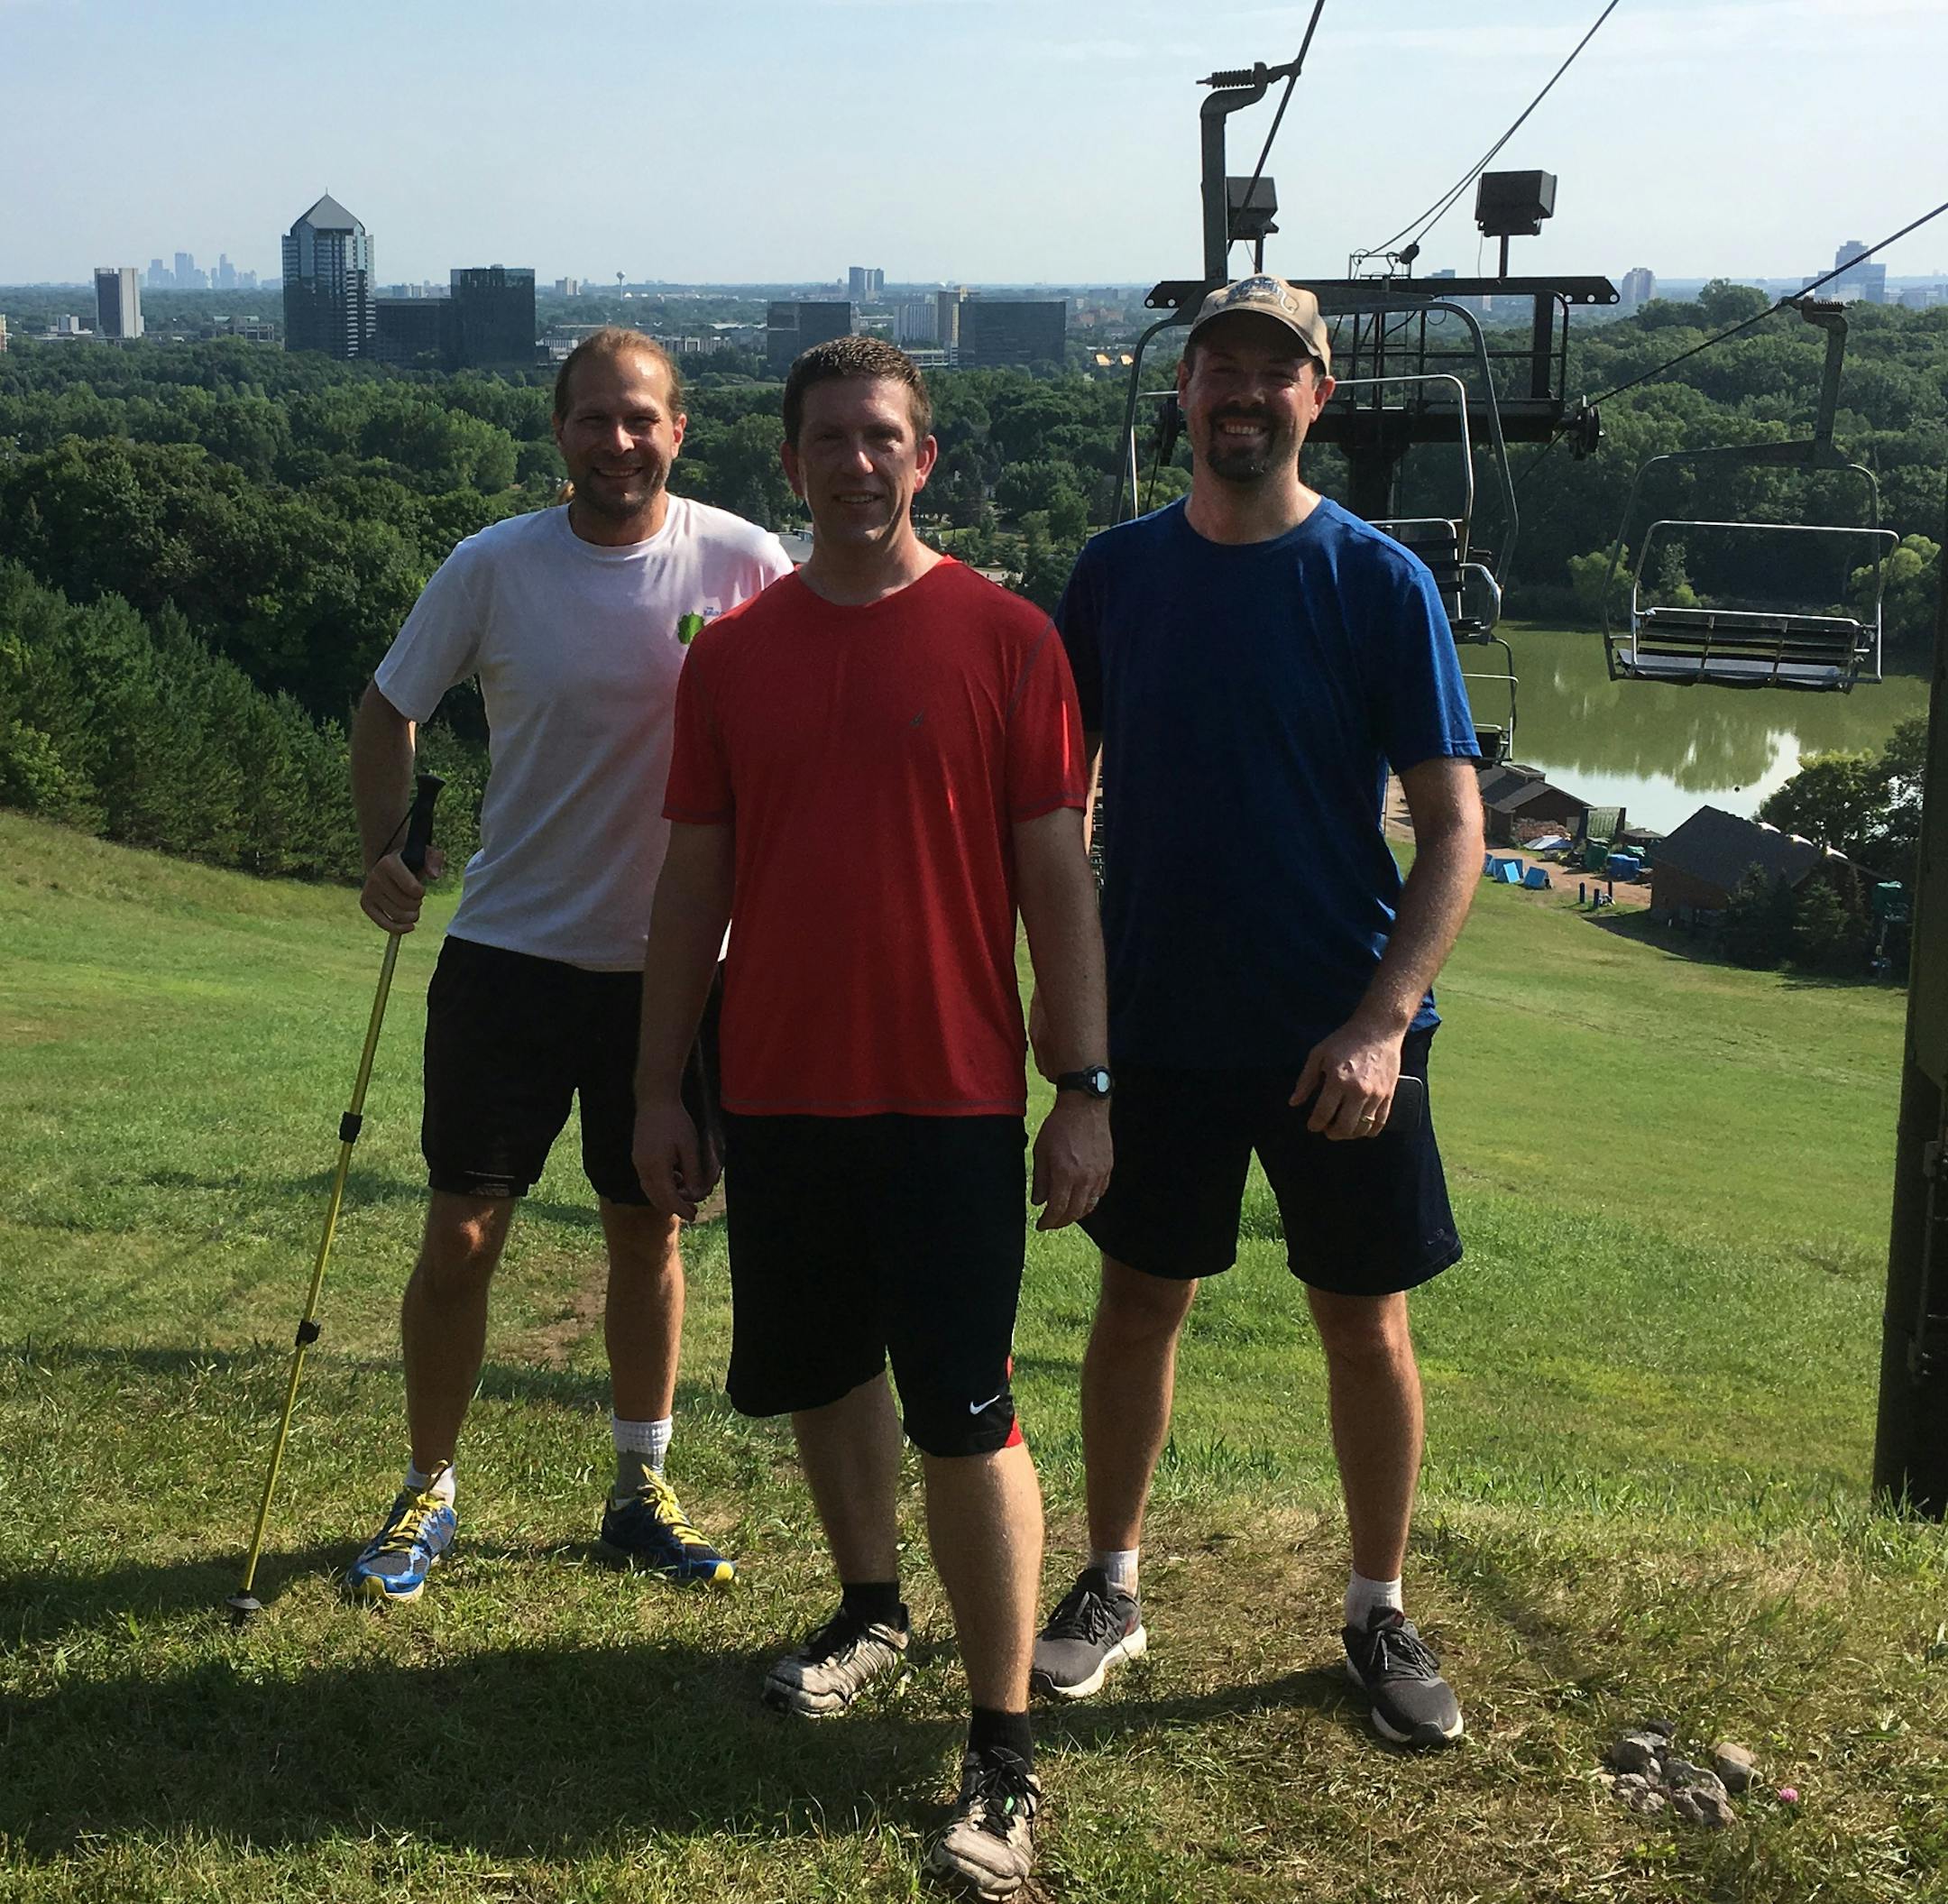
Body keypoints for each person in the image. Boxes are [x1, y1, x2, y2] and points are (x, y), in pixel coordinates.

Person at [632, 335, 1110, 1899]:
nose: (855, 462)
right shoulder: (733, 658)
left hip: (955, 1098)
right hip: (777, 1093)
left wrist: (1082, 1090)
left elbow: (1058, 879)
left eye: (882, 437)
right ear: (790, 466)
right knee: (826, 1375)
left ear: (924, 459)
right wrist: (659, 1085)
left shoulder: (1008, 640)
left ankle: (1004, 1747)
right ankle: (867, 1607)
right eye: (828, 440)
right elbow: (690, 885)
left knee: (967, 1409)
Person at [1029, 275, 1485, 1750]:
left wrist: (1382, 1020)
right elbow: (1053, 802)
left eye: (1271, 372)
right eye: (1216, 368)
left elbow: (1454, 826)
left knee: (1365, 1325)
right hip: (1159, 1020)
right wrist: (1077, 1054)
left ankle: (1375, 1603)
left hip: (1336, 1030)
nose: (1241, 392)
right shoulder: (1114, 575)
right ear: (1184, 395)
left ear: (1317, 398)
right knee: (1138, 1304)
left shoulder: (1377, 581)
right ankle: (1111, 1583)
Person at [343, 327, 793, 1605]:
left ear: (678, 429)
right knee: (462, 1234)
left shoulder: (745, 559)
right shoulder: (492, 567)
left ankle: (638, 1488)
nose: (617, 441)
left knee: (646, 1231)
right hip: (511, 954)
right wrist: (384, 847)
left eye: (639, 418)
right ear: (560, 433)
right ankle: (429, 1484)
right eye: (593, 419)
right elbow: (388, 709)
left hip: (680, 969)